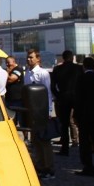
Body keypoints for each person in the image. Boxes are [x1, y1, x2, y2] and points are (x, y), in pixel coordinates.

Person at [24, 49, 54, 179]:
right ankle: (40, 166)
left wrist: (48, 111)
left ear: (38, 59)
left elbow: (47, 93)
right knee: (35, 140)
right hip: (31, 111)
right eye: (28, 57)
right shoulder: (27, 74)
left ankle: (49, 168)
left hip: (41, 111)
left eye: (31, 57)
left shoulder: (43, 73)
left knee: (44, 141)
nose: (29, 59)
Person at [74, 56, 94, 177]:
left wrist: (76, 114)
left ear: (83, 66)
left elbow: (78, 98)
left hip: (83, 114)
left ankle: (88, 167)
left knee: (85, 142)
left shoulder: (81, 79)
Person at [50, 50, 82, 156]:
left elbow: (53, 86)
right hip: (77, 97)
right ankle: (83, 145)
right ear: (72, 57)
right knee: (79, 122)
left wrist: (58, 95)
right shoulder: (78, 68)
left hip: (63, 97)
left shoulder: (58, 69)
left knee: (64, 124)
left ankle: (65, 148)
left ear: (63, 58)